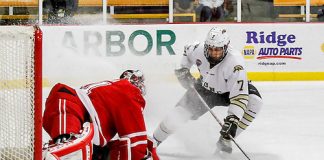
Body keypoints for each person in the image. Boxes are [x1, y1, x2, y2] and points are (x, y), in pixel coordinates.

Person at [153, 27, 263, 154]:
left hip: (229, 92)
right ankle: (154, 141)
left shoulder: (235, 63)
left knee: (255, 101)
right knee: (177, 115)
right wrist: (183, 69)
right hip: (205, 89)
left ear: (226, 47)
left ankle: (225, 140)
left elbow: (239, 96)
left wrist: (232, 120)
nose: (213, 53)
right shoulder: (198, 49)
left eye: (217, 50)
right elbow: (187, 51)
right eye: (210, 49)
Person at [42, 70, 159, 160]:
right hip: (70, 109)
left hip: (68, 108)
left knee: (83, 150)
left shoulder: (110, 90)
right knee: (68, 153)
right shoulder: (129, 91)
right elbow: (136, 143)